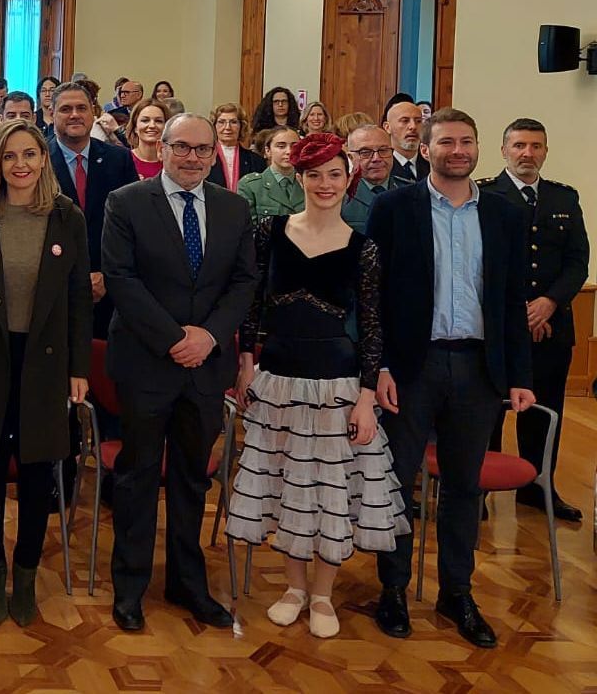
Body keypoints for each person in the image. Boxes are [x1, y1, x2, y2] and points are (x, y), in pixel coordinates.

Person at [366, 108, 535, 649]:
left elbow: (512, 302)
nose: (457, 150)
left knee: (465, 488)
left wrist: (518, 375)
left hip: (478, 369)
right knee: (399, 481)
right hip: (411, 368)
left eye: (466, 141)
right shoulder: (395, 208)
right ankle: (392, 588)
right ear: (426, 147)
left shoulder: (506, 216)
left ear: (478, 147)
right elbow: (373, 297)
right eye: (446, 142)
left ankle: (456, 591)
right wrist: (380, 368)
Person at [228, 133, 408, 639]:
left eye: (334, 174)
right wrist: (246, 359)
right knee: (287, 484)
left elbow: (373, 325)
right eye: (314, 175)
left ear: (346, 177)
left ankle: (324, 593)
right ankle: (293, 587)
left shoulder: (363, 247)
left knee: (329, 491)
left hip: (336, 381)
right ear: (300, 178)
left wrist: (368, 397)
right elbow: (252, 303)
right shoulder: (270, 230)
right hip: (278, 378)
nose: (325, 184)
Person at [101, 113, 259, 633]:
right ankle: (130, 587)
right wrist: (175, 339)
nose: (192, 158)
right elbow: (122, 280)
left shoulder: (234, 207)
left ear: (215, 154)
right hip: (147, 362)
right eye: (181, 147)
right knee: (138, 476)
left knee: (193, 477)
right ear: (162, 148)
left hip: (205, 368)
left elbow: (243, 283)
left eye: (202, 149)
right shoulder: (126, 202)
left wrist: (208, 337)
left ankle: (188, 584)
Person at [0, 121, 92, 628]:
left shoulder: (67, 217)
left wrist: (78, 368)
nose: (21, 164)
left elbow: (77, 300)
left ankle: (25, 575)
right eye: (10, 157)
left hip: (46, 364)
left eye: (30, 154)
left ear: (44, 160)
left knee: (35, 472)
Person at [481, 118, 588, 522]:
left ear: (545, 151)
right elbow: (484, 263)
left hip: (552, 326)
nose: (528, 154)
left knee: (546, 410)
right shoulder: (487, 195)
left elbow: (578, 261)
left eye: (536, 146)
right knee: (489, 409)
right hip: (500, 327)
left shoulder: (565, 199)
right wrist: (521, 310)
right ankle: (480, 488)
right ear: (504, 150)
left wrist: (548, 302)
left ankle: (538, 485)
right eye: (520, 146)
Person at [49, 82, 139, 339]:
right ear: (52, 114)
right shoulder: (38, 160)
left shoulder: (119, 159)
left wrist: (106, 276)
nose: (75, 114)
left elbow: (131, 226)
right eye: (66, 109)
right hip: (54, 291)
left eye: (81, 108)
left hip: (109, 291)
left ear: (93, 113)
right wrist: (73, 279)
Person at [341, 124, 402, 234]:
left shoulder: (409, 191)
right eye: (365, 152)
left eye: (383, 150)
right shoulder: (340, 196)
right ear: (350, 157)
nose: (376, 158)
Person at [238, 127, 305, 220]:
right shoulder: (251, 186)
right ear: (268, 151)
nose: (289, 151)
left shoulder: (308, 183)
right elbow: (247, 228)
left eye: (294, 146)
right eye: (281, 146)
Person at [206, 103, 264, 192]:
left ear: (242, 126)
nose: (227, 127)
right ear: (214, 126)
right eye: (221, 122)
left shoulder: (255, 160)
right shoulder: (205, 157)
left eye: (233, 122)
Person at [384, 97, 429, 183]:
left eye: (418, 121)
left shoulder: (432, 165)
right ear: (387, 127)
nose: (413, 127)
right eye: (405, 121)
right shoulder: (381, 166)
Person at [127, 100, 168, 179]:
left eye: (158, 121)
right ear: (135, 127)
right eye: (145, 120)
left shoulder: (173, 163)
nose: (152, 125)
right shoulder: (123, 160)